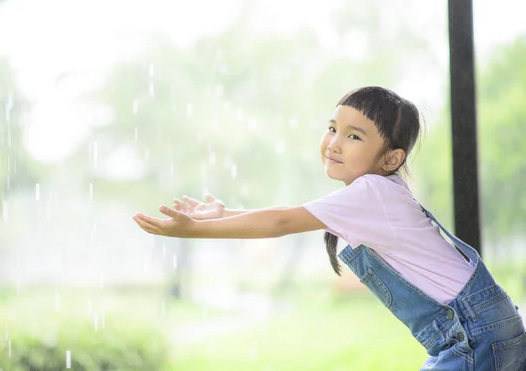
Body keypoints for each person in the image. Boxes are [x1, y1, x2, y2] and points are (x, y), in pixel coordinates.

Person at [132, 86, 526, 370]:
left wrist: (192, 231)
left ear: (391, 158)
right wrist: (221, 215)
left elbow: (282, 221)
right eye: (333, 127)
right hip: (484, 330)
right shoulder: (375, 196)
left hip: (474, 335)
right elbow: (287, 213)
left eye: (354, 136)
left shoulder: (372, 193)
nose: (334, 142)